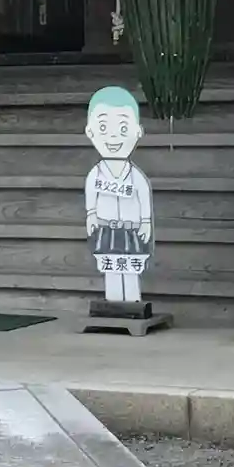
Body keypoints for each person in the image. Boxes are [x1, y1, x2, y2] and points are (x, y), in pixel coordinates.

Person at [83, 85, 153, 307]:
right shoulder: (96, 173)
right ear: (90, 131)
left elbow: (143, 197)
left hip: (131, 229)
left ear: (138, 131)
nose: (113, 136)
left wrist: (146, 221)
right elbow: (91, 194)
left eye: (123, 128)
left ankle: (132, 301)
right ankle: (113, 301)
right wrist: (91, 214)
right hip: (107, 228)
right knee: (111, 266)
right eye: (103, 127)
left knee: (130, 266)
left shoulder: (136, 176)